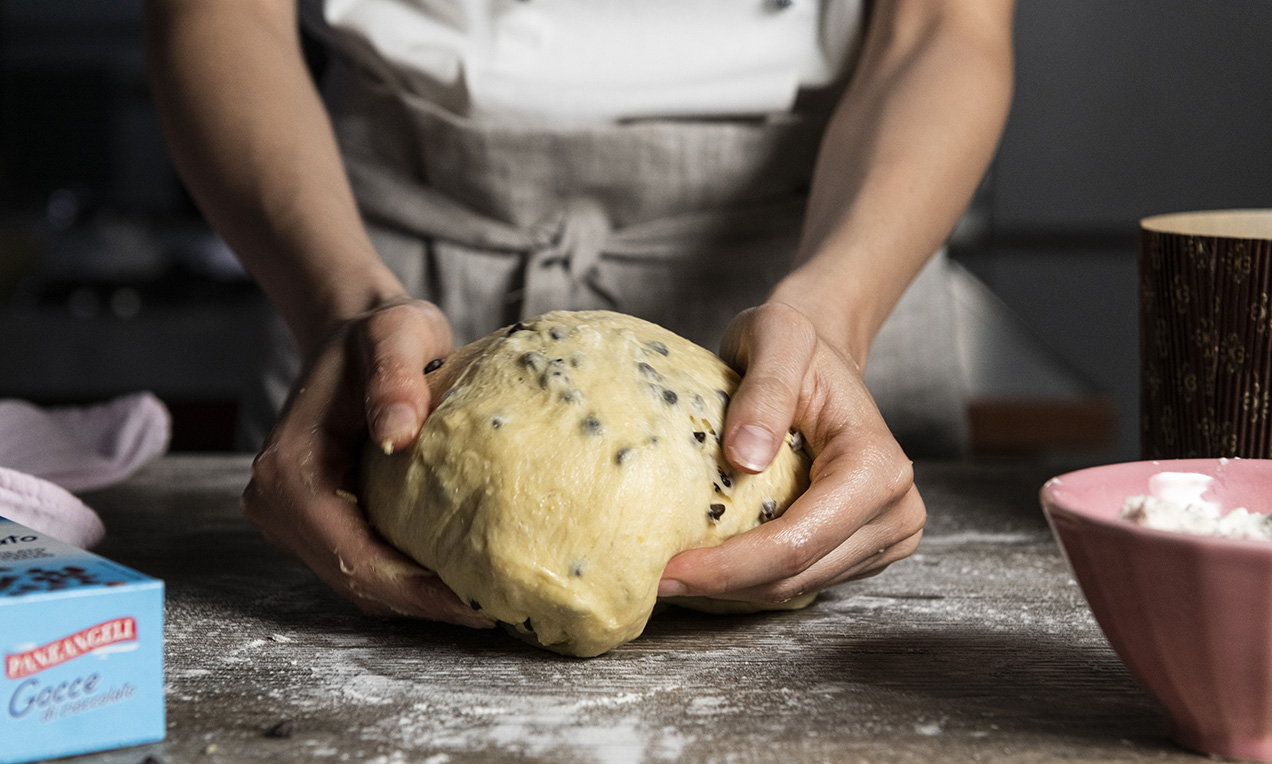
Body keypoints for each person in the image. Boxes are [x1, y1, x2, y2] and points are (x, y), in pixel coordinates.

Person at [145, 0, 1015, 628]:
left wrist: (834, 316)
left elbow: (946, 25)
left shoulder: (830, 308)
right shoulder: (356, 308)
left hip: (836, 246)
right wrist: (342, 303)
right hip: (372, 274)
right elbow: (218, 15)